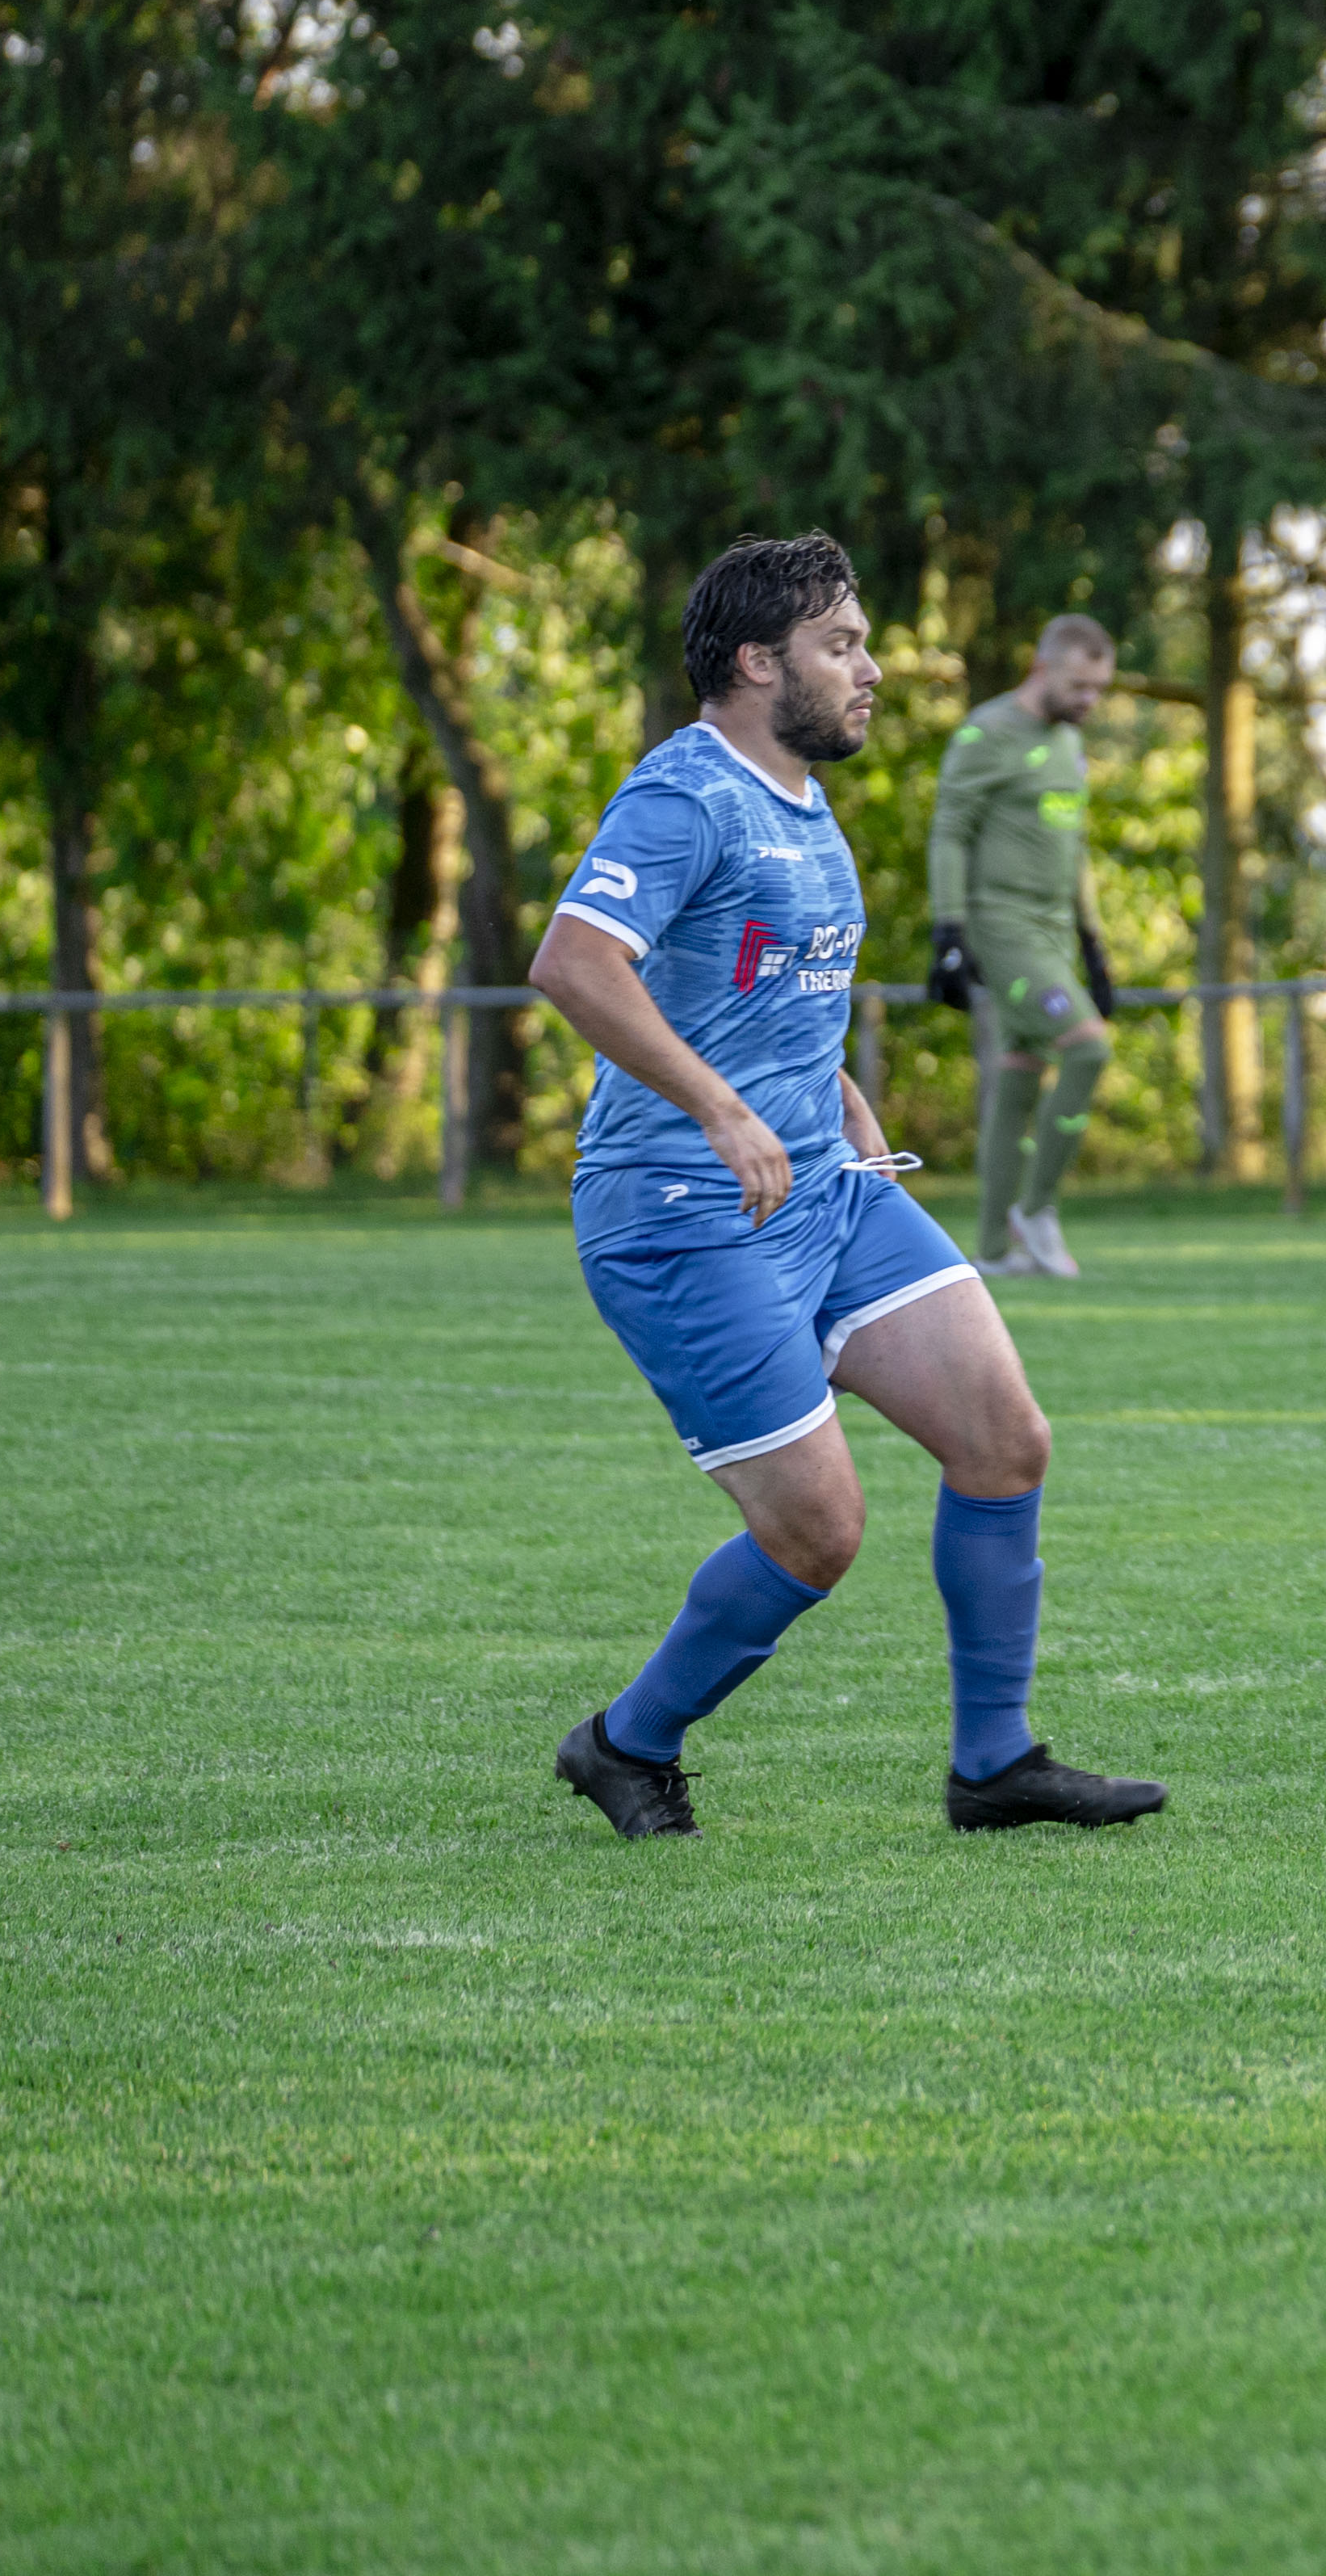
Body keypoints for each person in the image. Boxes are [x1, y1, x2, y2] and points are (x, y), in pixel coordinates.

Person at [531, 536, 1163, 1839]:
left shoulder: (802, 799)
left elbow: (776, 993)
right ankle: (626, 1744)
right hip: (682, 1216)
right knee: (818, 1533)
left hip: (827, 1189)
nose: (872, 671)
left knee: (1005, 1440)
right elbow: (576, 961)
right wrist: (717, 1110)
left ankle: (993, 1766)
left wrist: (841, 1111)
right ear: (759, 663)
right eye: (843, 646)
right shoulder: (686, 795)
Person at [926, 614, 1120, 1279]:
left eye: (1100, 689)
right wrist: (949, 932)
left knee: (1016, 1079)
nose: (1090, 700)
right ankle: (1037, 1207)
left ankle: (990, 1251)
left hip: (1054, 933)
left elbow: (1076, 851)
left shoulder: (1070, 746)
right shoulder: (988, 733)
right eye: (1080, 685)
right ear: (1043, 668)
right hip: (1000, 925)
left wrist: (1092, 943)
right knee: (1088, 1048)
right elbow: (949, 832)